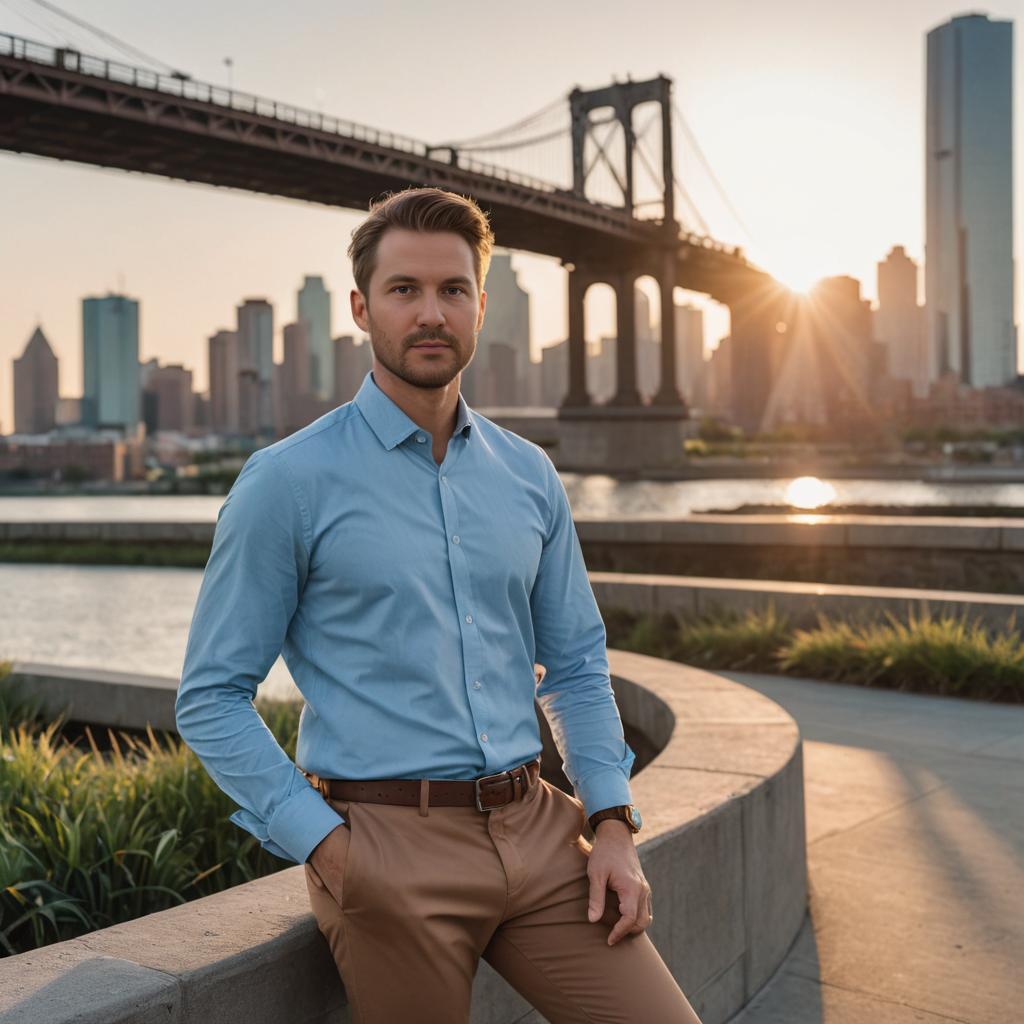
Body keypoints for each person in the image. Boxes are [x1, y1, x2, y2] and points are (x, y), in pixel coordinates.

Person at [175, 186, 702, 1023]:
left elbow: (572, 664)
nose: (431, 313)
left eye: (453, 290)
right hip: (387, 844)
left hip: (538, 828)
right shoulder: (288, 481)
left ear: (482, 306)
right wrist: (331, 850)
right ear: (360, 307)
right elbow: (210, 696)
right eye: (404, 290)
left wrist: (611, 822)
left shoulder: (528, 474)